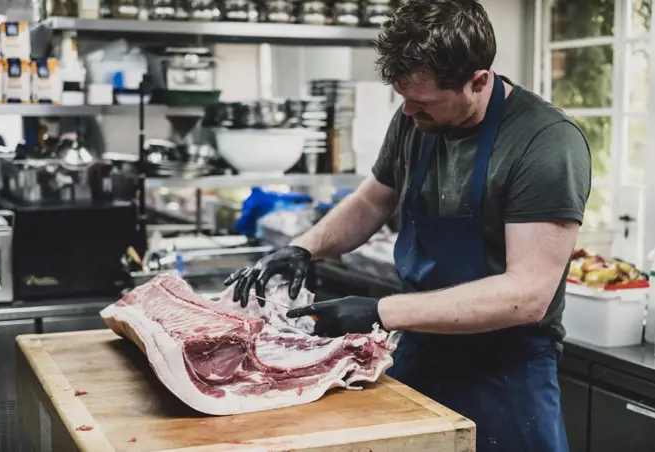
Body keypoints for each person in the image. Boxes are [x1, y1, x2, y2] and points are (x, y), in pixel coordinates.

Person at [224, 0, 591, 451]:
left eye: (423, 103)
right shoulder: (414, 119)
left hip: (505, 374)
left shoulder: (544, 142)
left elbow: (526, 296)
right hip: (419, 353)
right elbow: (371, 200)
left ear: (478, 80)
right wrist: (304, 247)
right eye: (403, 99)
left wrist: (380, 311)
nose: (410, 113)